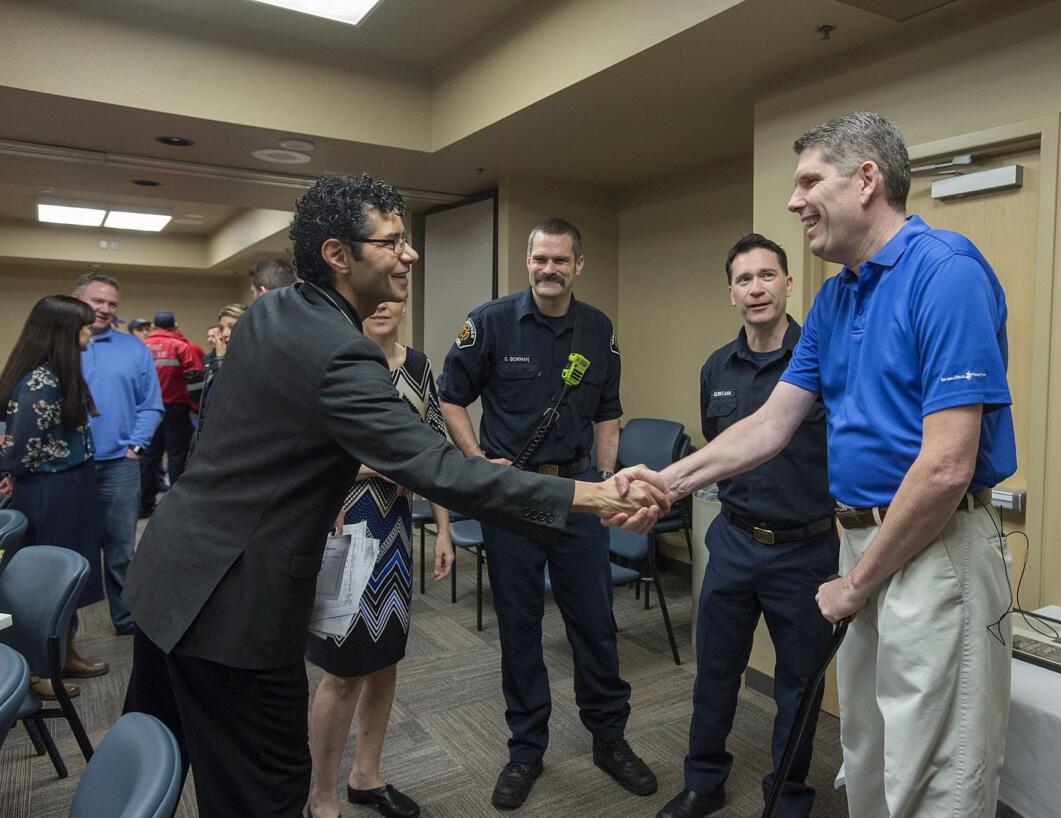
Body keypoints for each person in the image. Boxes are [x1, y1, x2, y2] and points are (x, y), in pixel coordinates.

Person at [121, 174, 664, 818]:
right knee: (260, 790)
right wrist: (592, 497)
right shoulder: (341, 354)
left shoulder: (271, 312)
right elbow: (442, 469)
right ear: (337, 255)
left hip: (168, 577)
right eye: (394, 241)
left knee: (145, 766)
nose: (410, 254)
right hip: (233, 604)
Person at [618, 112, 1016, 818]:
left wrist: (856, 582)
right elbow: (771, 423)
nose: (795, 201)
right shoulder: (837, 297)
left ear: (867, 180)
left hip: (935, 546)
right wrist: (667, 481)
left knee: (936, 772)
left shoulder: (945, 273)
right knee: (867, 752)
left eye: (808, 181)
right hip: (863, 543)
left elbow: (948, 465)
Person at [438, 217, 657, 812]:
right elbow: (450, 396)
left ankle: (609, 741)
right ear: (527, 261)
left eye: (561, 260)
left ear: (578, 265)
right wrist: (478, 460)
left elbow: (608, 408)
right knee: (520, 627)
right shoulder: (489, 323)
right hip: (513, 501)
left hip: (579, 498)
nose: (549, 270)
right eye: (540, 260)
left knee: (594, 624)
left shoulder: (598, 329)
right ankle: (525, 750)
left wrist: (609, 475)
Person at [655, 234, 839, 818]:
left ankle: (787, 797)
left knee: (798, 686)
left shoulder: (824, 359)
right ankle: (702, 783)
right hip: (733, 543)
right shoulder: (717, 368)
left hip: (805, 551)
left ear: (789, 284)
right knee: (715, 673)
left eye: (767, 276)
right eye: (743, 279)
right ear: (730, 292)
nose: (756, 288)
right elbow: (721, 447)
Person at [305, 299, 453, 818]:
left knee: (385, 660)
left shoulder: (416, 366)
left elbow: (433, 450)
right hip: (342, 525)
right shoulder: (336, 363)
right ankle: (321, 796)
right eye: (376, 297)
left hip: (394, 532)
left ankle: (366, 776)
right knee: (341, 671)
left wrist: (443, 528)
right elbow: (307, 452)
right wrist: (378, 467)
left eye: (397, 295)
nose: (385, 305)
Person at [0, 295, 109, 697]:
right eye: (83, 327)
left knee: (72, 574)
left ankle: (64, 652)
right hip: (49, 491)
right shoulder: (38, 382)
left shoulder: (60, 372)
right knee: (46, 583)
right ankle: (35, 668)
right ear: (62, 332)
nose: (89, 333)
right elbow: (19, 450)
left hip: (72, 485)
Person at [75, 273, 163, 635]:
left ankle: (126, 621)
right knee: (73, 552)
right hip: (69, 467)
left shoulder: (133, 349)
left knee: (121, 550)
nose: (105, 309)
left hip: (120, 465)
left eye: (112, 304)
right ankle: (65, 637)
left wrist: (135, 446)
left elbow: (151, 404)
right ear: (77, 300)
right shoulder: (59, 345)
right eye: (98, 301)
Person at [139, 310, 204, 516]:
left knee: (149, 457)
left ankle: (144, 503)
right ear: (174, 325)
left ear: (154, 326)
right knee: (177, 456)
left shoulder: (142, 347)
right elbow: (194, 378)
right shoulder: (181, 346)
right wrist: (196, 409)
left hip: (148, 410)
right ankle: (174, 507)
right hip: (176, 408)